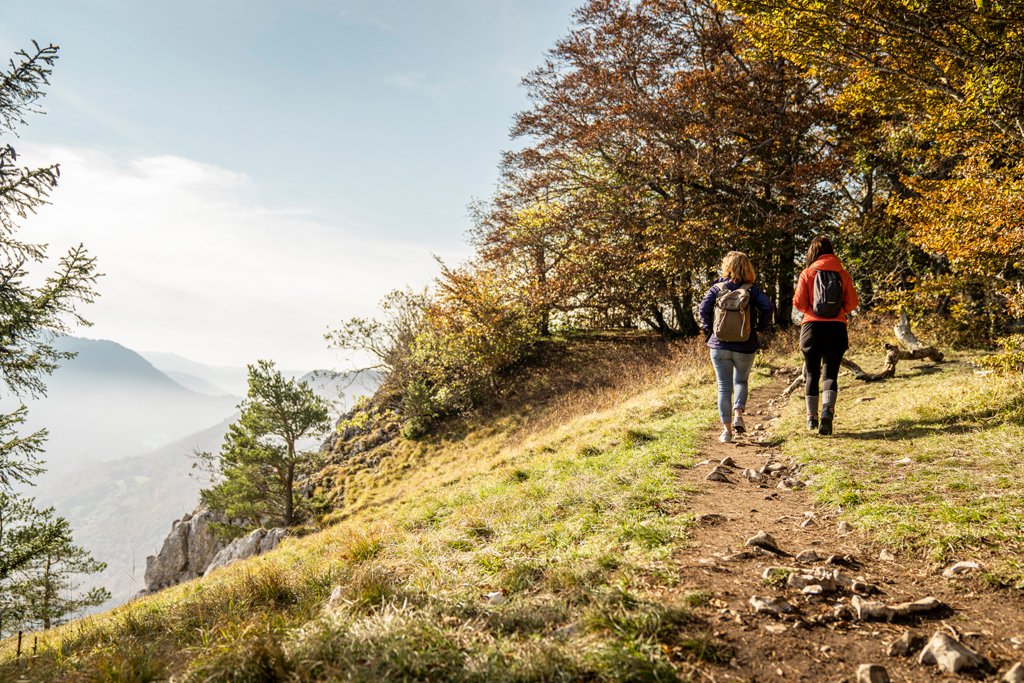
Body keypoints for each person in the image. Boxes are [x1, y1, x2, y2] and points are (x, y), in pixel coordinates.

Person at [699, 251, 775, 443]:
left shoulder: (717, 288)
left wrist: (710, 330)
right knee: (741, 382)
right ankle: (738, 415)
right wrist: (760, 327)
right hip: (745, 344)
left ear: (727, 266)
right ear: (747, 267)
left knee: (724, 388)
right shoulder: (752, 290)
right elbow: (767, 307)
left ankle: (726, 431)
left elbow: (703, 309)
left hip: (719, 345)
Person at [792, 235, 859, 435]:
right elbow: (852, 303)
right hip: (836, 328)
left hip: (811, 327)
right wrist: (838, 310)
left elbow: (798, 302)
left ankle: (811, 419)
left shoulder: (808, 273)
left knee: (812, 373)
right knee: (830, 374)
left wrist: (811, 309)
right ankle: (827, 413)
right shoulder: (843, 274)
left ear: (813, 252)